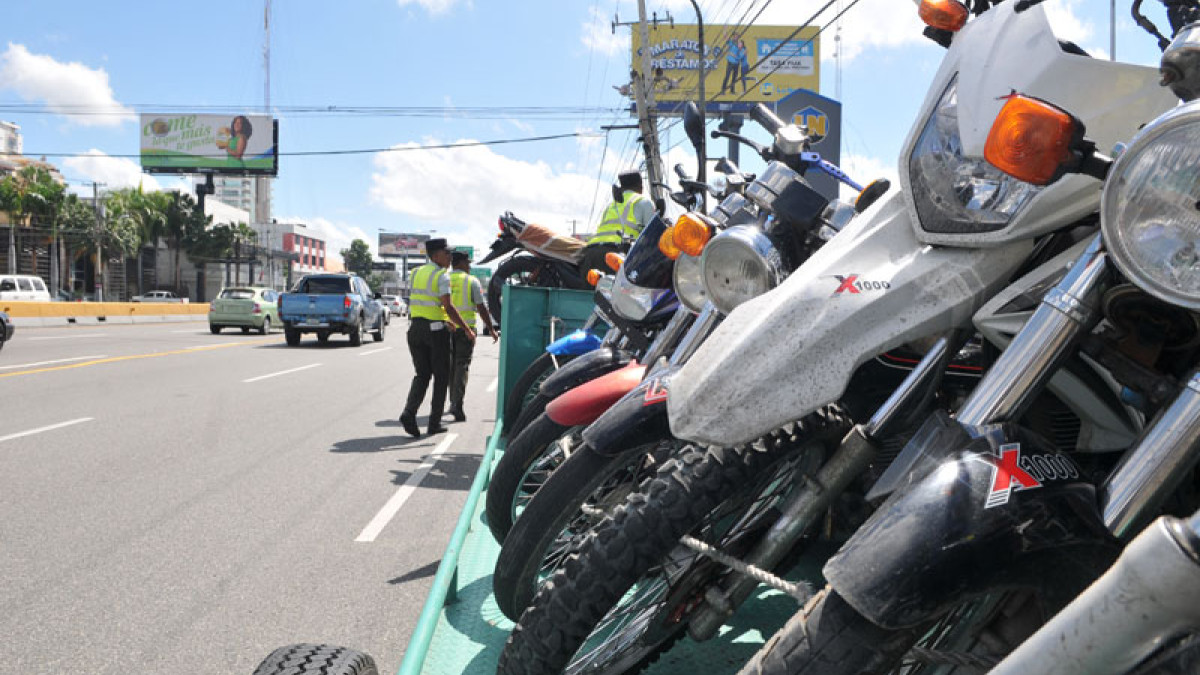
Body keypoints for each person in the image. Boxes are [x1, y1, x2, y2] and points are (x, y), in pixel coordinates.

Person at [399, 238, 475, 438]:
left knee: (422, 375)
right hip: (435, 333)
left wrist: (444, 320)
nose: (450, 257)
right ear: (435, 255)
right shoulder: (441, 276)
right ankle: (434, 423)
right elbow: (448, 307)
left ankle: (409, 412)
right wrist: (466, 328)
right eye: (446, 253)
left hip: (415, 329)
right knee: (441, 377)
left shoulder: (416, 272)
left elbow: (427, 304)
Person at [448, 250, 499, 422]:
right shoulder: (471, 281)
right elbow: (481, 308)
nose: (469, 266)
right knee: (462, 366)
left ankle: (451, 402)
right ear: (461, 263)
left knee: (450, 367)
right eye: (468, 263)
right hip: (465, 330)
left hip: (445, 329)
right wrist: (491, 329)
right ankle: (457, 404)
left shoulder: (444, 279)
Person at [579, 170, 655, 277]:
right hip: (615, 255)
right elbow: (653, 234)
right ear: (641, 186)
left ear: (622, 187)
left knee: (590, 293)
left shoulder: (611, 205)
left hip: (591, 254)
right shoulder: (643, 202)